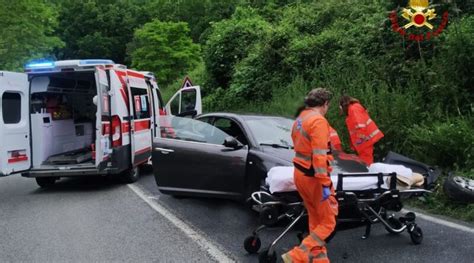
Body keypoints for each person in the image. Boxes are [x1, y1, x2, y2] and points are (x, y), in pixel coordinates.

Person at [282, 88, 338, 263]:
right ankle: (296, 256)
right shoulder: (318, 121)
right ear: (325, 104)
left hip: (300, 174)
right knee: (329, 222)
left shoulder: (300, 119)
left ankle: (319, 260)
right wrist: (325, 184)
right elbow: (320, 156)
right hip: (315, 179)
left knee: (316, 221)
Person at [339, 96, 384, 165]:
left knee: (366, 160)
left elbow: (360, 126)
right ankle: (367, 172)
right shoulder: (353, 109)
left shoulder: (353, 109)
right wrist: (355, 144)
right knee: (365, 158)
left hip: (364, 139)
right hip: (365, 138)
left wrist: (359, 142)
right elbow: (355, 130)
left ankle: (367, 173)